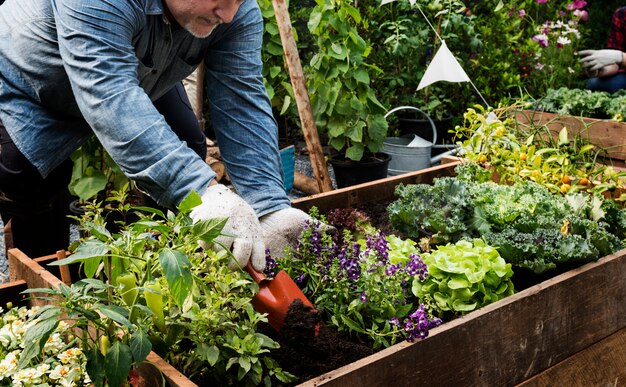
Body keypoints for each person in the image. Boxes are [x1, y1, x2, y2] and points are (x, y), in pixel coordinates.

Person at [0, 0, 312, 271]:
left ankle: (168, 268)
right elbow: (109, 95)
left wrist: (269, 205)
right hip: (31, 80)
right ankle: (43, 297)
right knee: (28, 181)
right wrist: (199, 190)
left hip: (134, 65)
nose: (229, 14)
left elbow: (241, 100)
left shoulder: (233, 11)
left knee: (188, 143)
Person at [579, 6, 626, 93]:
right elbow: (615, 58)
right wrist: (602, 70)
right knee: (594, 83)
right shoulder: (622, 14)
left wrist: (620, 57)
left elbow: (618, 57)